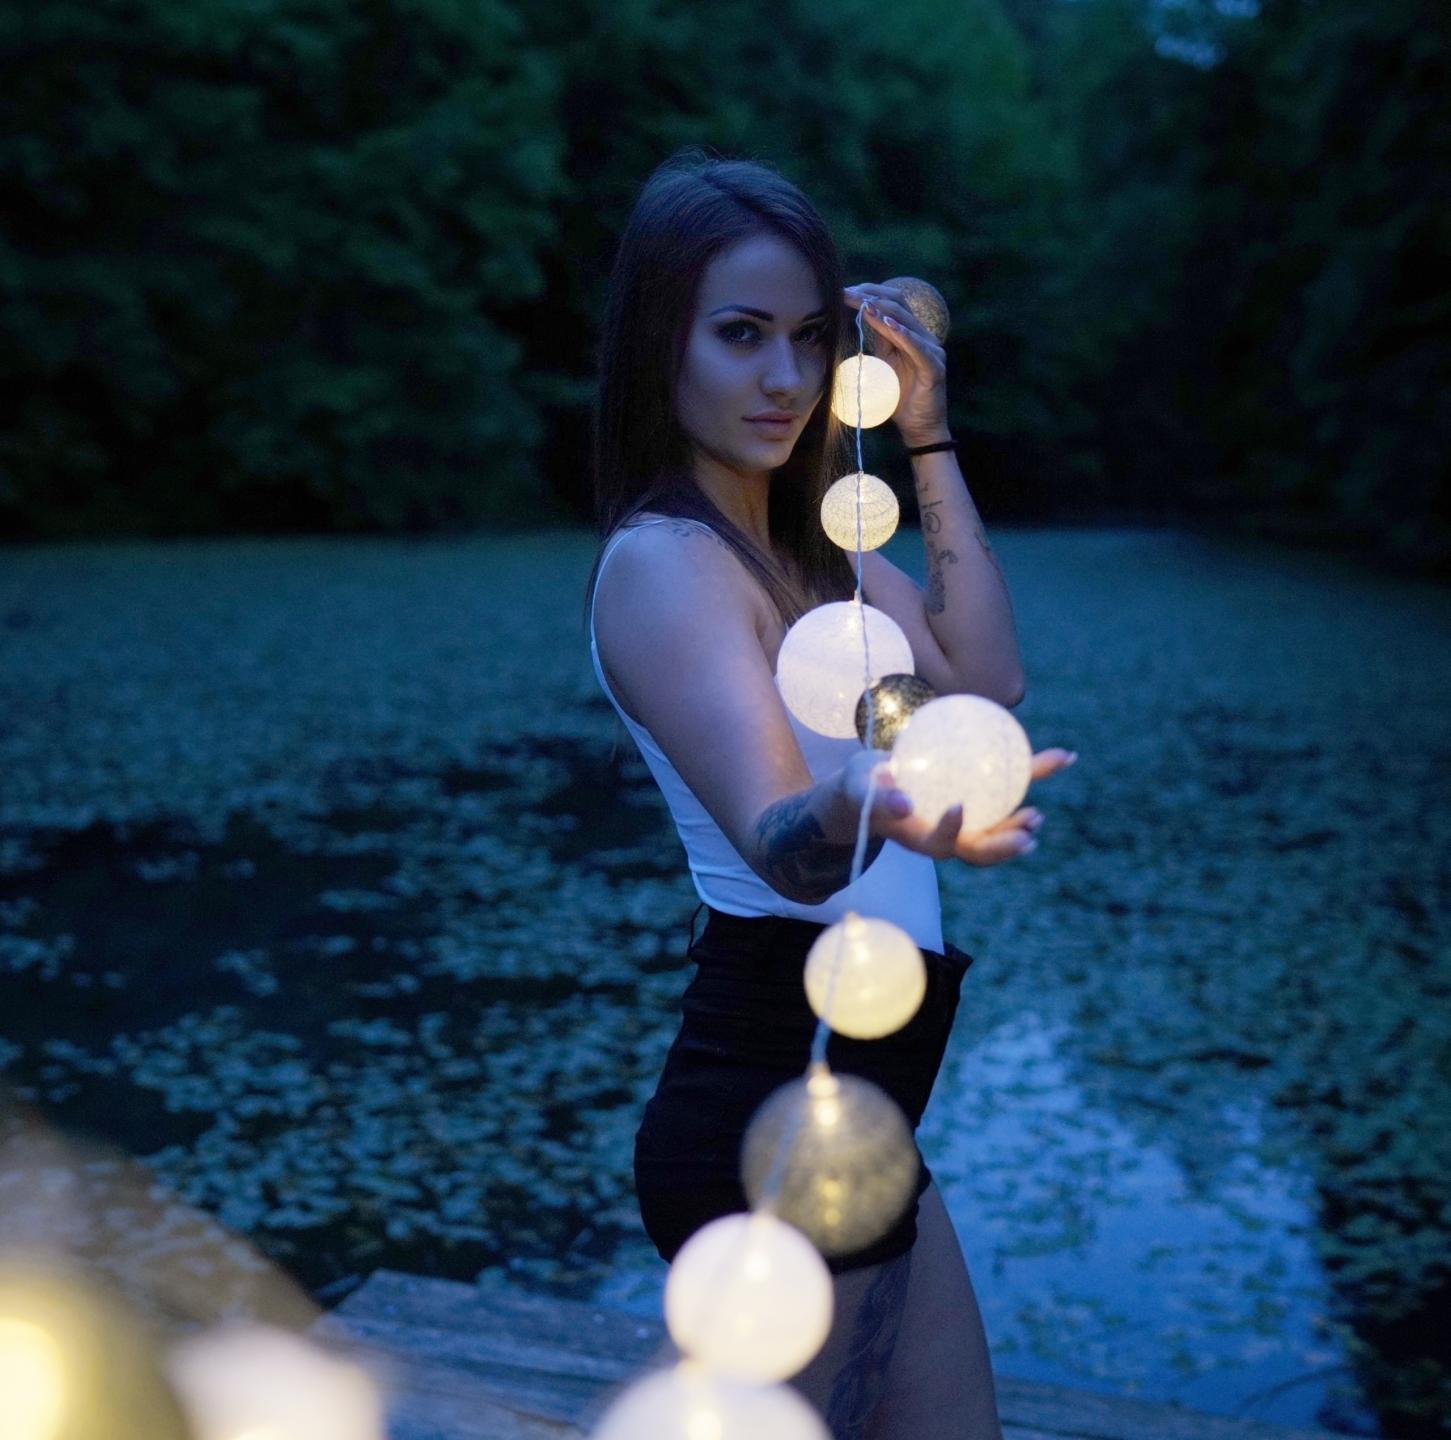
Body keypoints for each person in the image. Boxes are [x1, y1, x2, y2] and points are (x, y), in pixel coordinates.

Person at [584, 147, 1075, 1440]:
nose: (788, 378)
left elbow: (990, 678)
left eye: (809, 337)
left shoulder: (814, 553)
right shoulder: (668, 567)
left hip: (866, 1105)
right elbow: (780, 842)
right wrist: (873, 803)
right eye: (741, 334)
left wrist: (926, 430)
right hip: (771, 1108)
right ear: (659, 341)